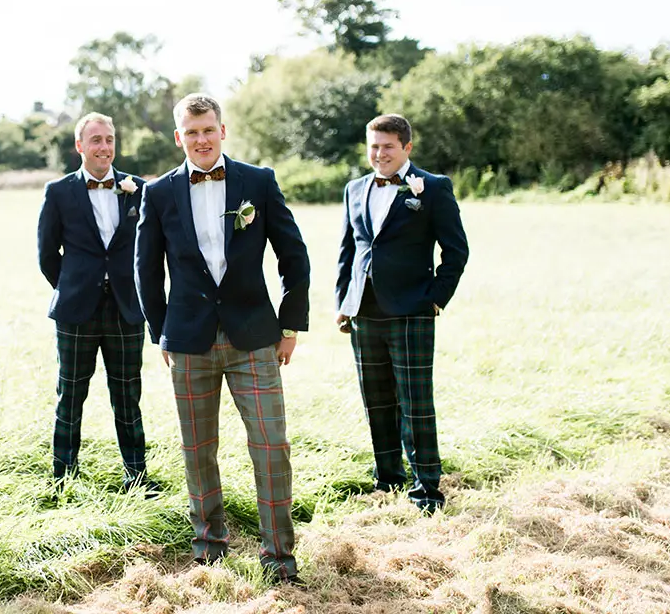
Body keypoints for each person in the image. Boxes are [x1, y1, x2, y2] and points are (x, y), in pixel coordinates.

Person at [135, 93, 309, 581]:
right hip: (188, 341)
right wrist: (161, 332)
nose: (201, 139)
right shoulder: (159, 192)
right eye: (191, 132)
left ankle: (279, 558)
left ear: (222, 130)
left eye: (208, 130)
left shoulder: (259, 181)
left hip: (255, 336)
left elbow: (294, 257)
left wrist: (290, 325)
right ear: (178, 137)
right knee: (197, 449)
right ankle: (209, 547)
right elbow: (146, 270)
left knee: (272, 445)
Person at [335, 113, 468, 514]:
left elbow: (456, 251)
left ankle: (426, 488)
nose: (380, 154)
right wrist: (344, 302)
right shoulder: (354, 189)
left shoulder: (433, 188)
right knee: (376, 400)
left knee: (415, 402)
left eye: (388, 147)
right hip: (364, 310)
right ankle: (387, 478)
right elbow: (348, 250)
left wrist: (435, 299)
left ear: (407, 147)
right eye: (374, 146)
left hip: (411, 311)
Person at [36, 112, 157, 494]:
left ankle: (137, 476)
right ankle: (63, 476)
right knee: (70, 393)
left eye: (109, 139)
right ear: (79, 146)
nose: (104, 147)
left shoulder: (138, 188)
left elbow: (151, 252)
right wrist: (74, 286)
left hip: (126, 309)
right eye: (96, 140)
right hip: (76, 309)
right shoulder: (58, 192)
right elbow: (46, 254)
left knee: (128, 395)